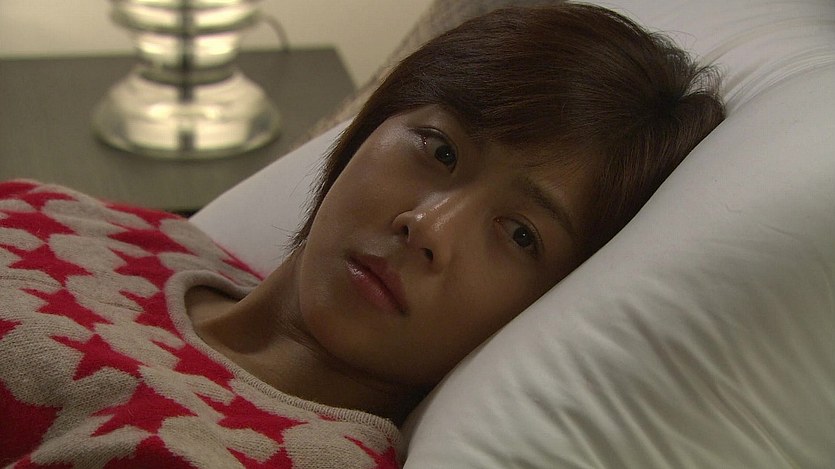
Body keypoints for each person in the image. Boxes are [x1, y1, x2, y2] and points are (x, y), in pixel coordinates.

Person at [0, 3, 724, 468]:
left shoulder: (260, 455)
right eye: (440, 149)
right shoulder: (101, 227)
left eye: (519, 234)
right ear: (373, 125)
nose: (427, 227)